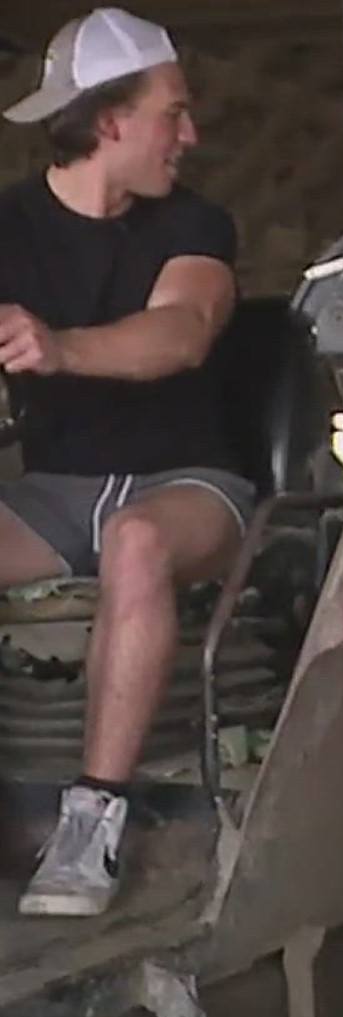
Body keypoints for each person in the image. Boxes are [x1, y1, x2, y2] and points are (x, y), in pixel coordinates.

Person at [0, 7, 250, 917]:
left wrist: (58, 347)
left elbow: (181, 333)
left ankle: (91, 819)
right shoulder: (9, 226)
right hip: (56, 495)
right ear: (109, 122)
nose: (191, 133)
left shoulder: (195, 223)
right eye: (172, 113)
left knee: (137, 543)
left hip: (188, 484)